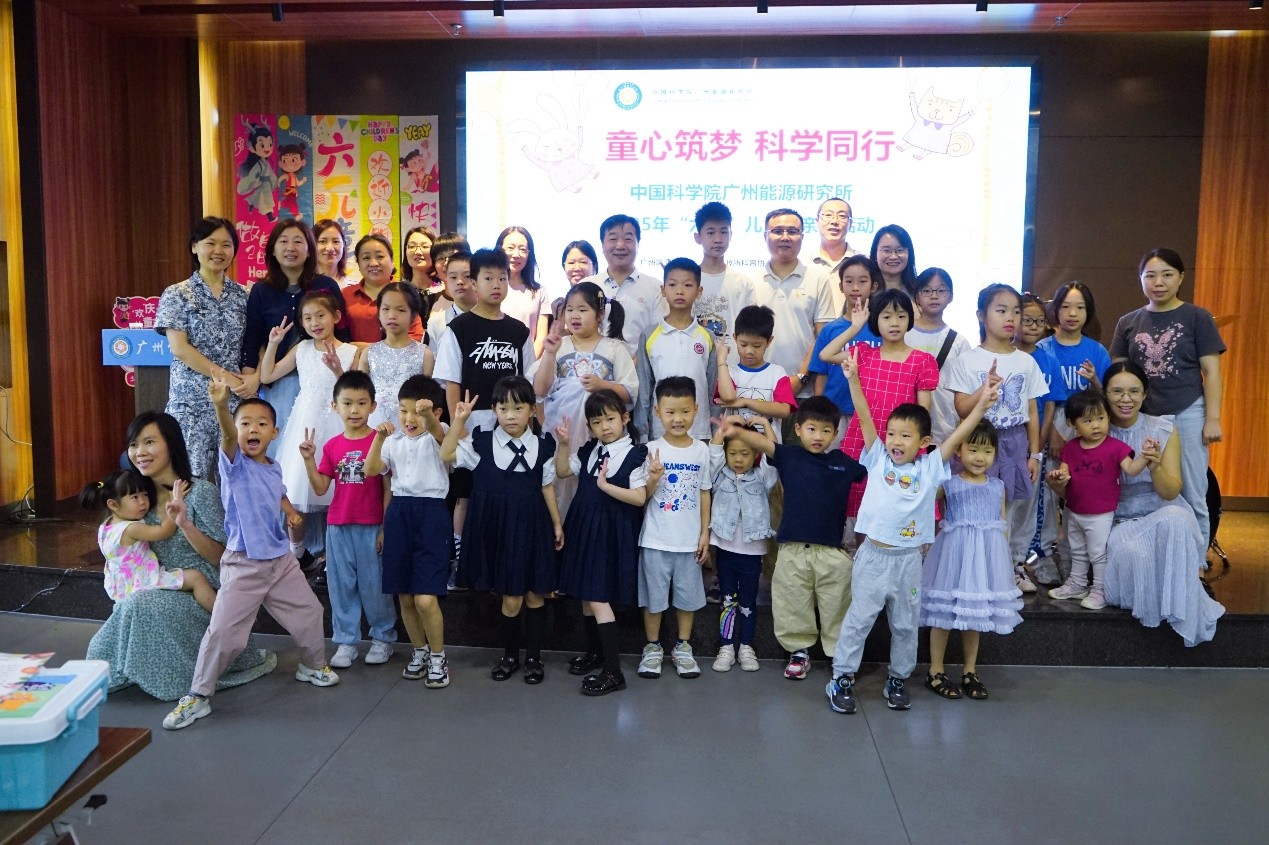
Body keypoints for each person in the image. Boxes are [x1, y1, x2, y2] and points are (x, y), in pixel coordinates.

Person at [824, 345, 999, 713]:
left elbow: (959, 434)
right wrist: (853, 379)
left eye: (905, 436)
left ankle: (898, 678)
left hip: (908, 561)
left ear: (923, 443)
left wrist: (982, 403)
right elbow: (864, 414)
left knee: (905, 625)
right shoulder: (877, 458)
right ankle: (841, 676)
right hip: (873, 557)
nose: (895, 441)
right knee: (858, 621)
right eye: (892, 434)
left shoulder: (931, 467)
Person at [162, 380, 337, 731]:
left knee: (310, 612)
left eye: (261, 423)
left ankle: (312, 665)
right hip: (243, 563)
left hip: (280, 561)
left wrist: (291, 512)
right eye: (245, 423)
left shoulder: (273, 466)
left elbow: (279, 493)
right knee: (224, 633)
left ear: (275, 432)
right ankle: (198, 696)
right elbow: (227, 436)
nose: (252, 429)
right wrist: (221, 406)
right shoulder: (234, 465)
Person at [87, 413, 276, 700]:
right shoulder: (137, 501)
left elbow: (225, 558)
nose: (140, 452)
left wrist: (185, 525)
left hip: (202, 595)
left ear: (171, 444)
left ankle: (224, 649)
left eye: (149, 442)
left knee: (140, 604)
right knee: (116, 627)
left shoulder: (200, 493)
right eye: (134, 444)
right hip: (158, 589)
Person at [721, 396, 865, 681]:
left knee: (838, 605)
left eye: (826, 431)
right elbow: (764, 444)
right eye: (811, 429)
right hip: (792, 550)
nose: (818, 436)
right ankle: (798, 653)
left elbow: (872, 467)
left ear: (836, 433)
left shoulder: (843, 463)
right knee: (792, 602)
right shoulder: (789, 456)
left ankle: (842, 659)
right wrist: (735, 430)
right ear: (798, 429)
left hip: (831, 553)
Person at [440, 378, 564, 684]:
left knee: (535, 595)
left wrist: (556, 523)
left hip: (534, 526)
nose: (510, 415)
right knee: (511, 597)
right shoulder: (481, 442)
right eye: (503, 408)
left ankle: (533, 658)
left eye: (518, 408)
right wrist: (459, 421)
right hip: (498, 529)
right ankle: (509, 656)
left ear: (531, 410)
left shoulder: (544, 445)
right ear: (494, 410)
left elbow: (546, 486)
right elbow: (446, 454)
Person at [1100, 362, 1224, 646]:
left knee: (1176, 519)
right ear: (1105, 393)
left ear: (1145, 394)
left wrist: (1155, 467)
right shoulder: (1097, 429)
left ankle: (1179, 611)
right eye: (1117, 391)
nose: (1126, 399)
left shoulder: (1162, 428)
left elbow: (1171, 492)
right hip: (1121, 519)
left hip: (1161, 509)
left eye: (1134, 391)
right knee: (1134, 553)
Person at [1111, 248, 1225, 543]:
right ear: (1140, 279)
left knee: (1192, 490)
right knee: (1148, 489)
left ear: (1181, 277)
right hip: (1142, 416)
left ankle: (1196, 561)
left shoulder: (1197, 317)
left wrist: (1212, 419)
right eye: (1150, 275)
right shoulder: (1128, 322)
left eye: (1167, 275)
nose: (1158, 282)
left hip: (1187, 411)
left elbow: (1211, 371)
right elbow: (1118, 372)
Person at [943, 284, 1048, 595]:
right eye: (1001, 310)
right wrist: (984, 389)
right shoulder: (967, 360)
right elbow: (962, 409)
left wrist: (1035, 454)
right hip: (978, 440)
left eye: (1016, 311)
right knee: (975, 504)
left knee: (1011, 507)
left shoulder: (1026, 361)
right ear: (981, 315)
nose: (1010, 318)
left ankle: (1010, 567)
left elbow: (1032, 411)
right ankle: (975, 567)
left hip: (1015, 441)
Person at [299, 370, 398, 667]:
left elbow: (388, 488)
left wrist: (384, 527)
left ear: (373, 406)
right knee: (341, 586)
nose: (354, 410)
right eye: (347, 403)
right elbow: (320, 487)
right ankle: (346, 641)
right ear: (335, 406)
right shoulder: (331, 446)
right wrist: (308, 460)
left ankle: (382, 638)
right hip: (338, 525)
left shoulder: (381, 441)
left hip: (371, 525)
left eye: (361, 403)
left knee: (374, 584)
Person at [919, 420, 1023, 702]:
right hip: (952, 556)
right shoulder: (949, 484)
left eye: (987, 451)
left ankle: (970, 670)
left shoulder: (998, 486)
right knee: (942, 613)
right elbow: (924, 500)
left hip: (983, 560)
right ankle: (935, 670)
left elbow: (1001, 526)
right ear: (958, 450)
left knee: (975, 613)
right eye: (973, 449)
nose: (980, 457)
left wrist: (1000, 563)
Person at [553, 390, 649, 695]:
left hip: (612, 531)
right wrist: (564, 444)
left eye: (610, 419)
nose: (604, 426)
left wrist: (605, 486)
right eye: (597, 422)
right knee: (586, 594)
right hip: (584, 526)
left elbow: (639, 498)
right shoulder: (590, 450)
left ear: (625, 418)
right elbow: (562, 471)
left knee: (597, 596)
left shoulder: (635, 454)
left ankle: (613, 671)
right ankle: (594, 652)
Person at [818, 288, 939, 522]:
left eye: (901, 316)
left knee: (900, 508)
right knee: (861, 509)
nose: (894, 323)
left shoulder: (923, 361)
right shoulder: (863, 354)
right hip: (862, 439)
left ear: (909, 320)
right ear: (875, 320)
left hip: (902, 442)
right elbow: (825, 354)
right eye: (886, 316)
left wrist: (916, 445)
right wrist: (855, 327)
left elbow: (923, 413)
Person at [365, 376, 453, 687]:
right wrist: (378, 439)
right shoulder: (393, 440)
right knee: (405, 596)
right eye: (403, 410)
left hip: (432, 514)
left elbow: (442, 438)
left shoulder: (440, 434)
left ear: (435, 413)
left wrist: (428, 417)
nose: (408, 418)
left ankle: (439, 657)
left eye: (417, 412)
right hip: (399, 514)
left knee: (426, 599)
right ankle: (420, 651)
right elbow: (371, 470)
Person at [241, 219, 348, 459]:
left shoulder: (325, 285)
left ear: (309, 249)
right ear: (273, 249)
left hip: (323, 378)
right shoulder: (261, 290)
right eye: (283, 241)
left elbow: (343, 332)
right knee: (281, 448)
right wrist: (251, 380)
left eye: (298, 241)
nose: (291, 247)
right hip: (279, 380)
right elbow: (252, 338)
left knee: (324, 445)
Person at [259, 291, 356, 551]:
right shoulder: (301, 349)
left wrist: (338, 369)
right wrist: (273, 344)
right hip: (304, 426)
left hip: (338, 425)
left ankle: (331, 555)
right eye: (308, 318)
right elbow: (267, 376)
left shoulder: (351, 352)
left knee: (337, 491)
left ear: (336, 316)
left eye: (320, 315)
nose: (315, 323)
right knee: (296, 490)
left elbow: (354, 392)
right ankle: (297, 552)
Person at [155, 216, 250, 479]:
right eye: (210, 243)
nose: (219, 251)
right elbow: (180, 349)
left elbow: (254, 343)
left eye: (226, 244)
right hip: (191, 403)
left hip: (233, 403)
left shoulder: (244, 295)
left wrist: (251, 379)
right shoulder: (177, 293)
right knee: (189, 478)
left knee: (232, 476)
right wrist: (226, 377)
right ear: (195, 247)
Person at [531, 282, 635, 513]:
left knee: (596, 485)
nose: (574, 315)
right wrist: (549, 353)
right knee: (561, 483)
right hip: (563, 434)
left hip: (601, 434)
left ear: (600, 314)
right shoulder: (560, 346)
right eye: (569, 309)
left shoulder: (615, 348)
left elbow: (630, 392)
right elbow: (539, 390)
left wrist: (602, 385)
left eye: (582, 309)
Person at [1045, 389, 1152, 610]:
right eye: (1088, 421)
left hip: (1100, 514)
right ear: (1072, 423)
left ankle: (1100, 590)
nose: (1096, 425)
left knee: (1098, 553)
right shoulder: (1071, 447)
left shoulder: (1116, 447)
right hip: (1074, 510)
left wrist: (1146, 457)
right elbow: (1064, 473)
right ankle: (1077, 584)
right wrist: (1058, 476)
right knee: (1077, 550)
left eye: (1101, 418)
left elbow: (1132, 470)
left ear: (1108, 418)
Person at [636, 376, 713, 680]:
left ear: (696, 410)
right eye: (670, 412)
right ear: (657, 411)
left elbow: (705, 492)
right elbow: (643, 496)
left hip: (688, 542)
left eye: (684, 411)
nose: (677, 419)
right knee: (653, 599)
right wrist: (653, 478)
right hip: (655, 540)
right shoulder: (649, 450)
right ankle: (652, 647)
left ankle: (683, 647)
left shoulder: (702, 450)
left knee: (687, 598)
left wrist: (705, 533)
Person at [434, 248, 537, 437]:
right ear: (474, 283)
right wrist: (458, 428)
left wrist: (527, 429)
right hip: (472, 424)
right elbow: (452, 382)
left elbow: (528, 382)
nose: (496, 285)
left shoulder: (519, 331)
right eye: (488, 278)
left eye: (502, 278)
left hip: (513, 423)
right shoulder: (458, 328)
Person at [80, 472, 215, 612]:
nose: (143, 501)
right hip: (143, 582)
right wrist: (174, 502)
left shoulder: (105, 526)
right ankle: (219, 615)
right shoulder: (131, 529)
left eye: (145, 494)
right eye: (134, 497)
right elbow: (164, 531)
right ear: (113, 505)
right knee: (196, 578)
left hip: (122, 587)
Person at [707, 414, 777, 673]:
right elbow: (713, 457)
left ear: (755, 454)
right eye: (733, 453)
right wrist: (721, 433)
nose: (738, 459)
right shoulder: (719, 476)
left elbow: (774, 457)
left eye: (745, 454)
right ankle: (726, 645)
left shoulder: (762, 478)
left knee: (748, 601)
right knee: (728, 600)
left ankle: (746, 646)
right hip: (725, 549)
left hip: (752, 551)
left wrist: (766, 426)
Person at [1010, 293, 1066, 590]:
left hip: (1034, 446)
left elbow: (1050, 405)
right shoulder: (1005, 354)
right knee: (1005, 504)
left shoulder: (1048, 358)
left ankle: (1019, 562)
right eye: (1027, 319)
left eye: (1039, 321)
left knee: (1029, 504)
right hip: (1005, 445)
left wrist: (1037, 445)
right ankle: (999, 562)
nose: (1033, 326)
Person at [752, 208, 836, 402]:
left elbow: (822, 337)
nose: (785, 237)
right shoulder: (751, 281)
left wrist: (800, 378)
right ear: (765, 236)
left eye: (792, 231)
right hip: (757, 389)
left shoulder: (818, 279)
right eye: (777, 231)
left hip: (803, 392)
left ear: (802, 237)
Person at [635, 258, 717, 442]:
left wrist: (716, 429)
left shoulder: (708, 337)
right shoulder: (649, 335)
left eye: (688, 285)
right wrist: (642, 432)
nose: (679, 291)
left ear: (699, 291)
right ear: (663, 290)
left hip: (700, 431)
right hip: (661, 431)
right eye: (672, 285)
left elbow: (714, 388)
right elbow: (644, 387)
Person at [808, 256, 884, 445]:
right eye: (849, 281)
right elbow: (821, 375)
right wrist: (820, 412)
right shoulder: (830, 330)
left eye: (862, 281)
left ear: (874, 286)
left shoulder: (881, 329)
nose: (855, 288)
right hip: (834, 413)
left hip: (871, 413)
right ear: (841, 287)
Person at [580, 214, 665, 358]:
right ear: (602, 245)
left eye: (628, 239)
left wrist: (632, 366)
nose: (620, 245)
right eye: (613, 239)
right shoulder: (585, 286)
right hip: (590, 367)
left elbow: (658, 336)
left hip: (639, 369)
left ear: (638, 244)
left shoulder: (655, 287)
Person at [904, 267, 971, 445]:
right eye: (926, 290)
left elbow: (964, 391)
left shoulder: (959, 342)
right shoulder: (903, 334)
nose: (934, 296)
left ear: (951, 296)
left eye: (941, 290)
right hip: (904, 427)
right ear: (917, 296)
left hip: (945, 429)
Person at [353, 282, 433, 428]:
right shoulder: (369, 353)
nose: (392, 316)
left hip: (410, 426)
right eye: (386, 309)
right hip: (374, 425)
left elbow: (427, 399)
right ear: (378, 313)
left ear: (413, 315)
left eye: (400, 310)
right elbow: (359, 395)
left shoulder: (424, 354)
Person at [714, 304, 797, 441]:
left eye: (757, 346)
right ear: (735, 338)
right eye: (743, 344)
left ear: (769, 341)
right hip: (735, 446)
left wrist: (745, 402)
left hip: (768, 446)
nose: (749, 351)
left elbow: (784, 410)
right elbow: (728, 397)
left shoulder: (777, 373)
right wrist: (721, 359)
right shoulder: (730, 372)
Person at [691, 202, 756, 362]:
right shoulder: (687, 281)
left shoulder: (743, 283)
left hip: (733, 365)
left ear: (731, 235)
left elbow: (750, 330)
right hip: (694, 363)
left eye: (723, 232)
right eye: (710, 232)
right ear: (698, 237)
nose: (718, 239)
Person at [342, 234, 424, 343]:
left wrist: (371, 350)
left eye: (380, 256)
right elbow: (337, 335)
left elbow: (416, 338)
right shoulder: (345, 295)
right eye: (366, 258)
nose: (373, 263)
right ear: (358, 264)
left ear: (392, 260)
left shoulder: (405, 294)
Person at [496, 226, 550, 355]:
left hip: (528, 362)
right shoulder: (489, 288)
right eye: (510, 248)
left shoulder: (539, 291)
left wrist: (528, 364)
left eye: (522, 249)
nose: (516, 254)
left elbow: (541, 338)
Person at [808, 197, 857, 315]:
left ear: (850, 223)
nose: (834, 221)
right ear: (817, 221)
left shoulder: (864, 262)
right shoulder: (803, 263)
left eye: (842, 216)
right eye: (828, 215)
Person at [426, 248, 476, 346]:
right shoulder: (436, 322)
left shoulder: (491, 318)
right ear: (447, 279)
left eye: (467, 276)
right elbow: (431, 354)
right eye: (453, 277)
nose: (460, 282)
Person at [425, 232, 472, 328]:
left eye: (453, 256)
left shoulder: (483, 299)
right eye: (440, 258)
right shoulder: (428, 302)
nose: (446, 263)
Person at [869, 224, 917, 292]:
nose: (893, 257)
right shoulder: (866, 291)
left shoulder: (919, 291)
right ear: (875, 253)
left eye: (900, 250)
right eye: (886, 250)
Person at [401, 226, 440, 304]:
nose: (418, 252)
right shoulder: (399, 291)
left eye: (425, 246)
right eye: (412, 246)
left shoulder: (444, 291)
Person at [312, 219, 349, 284]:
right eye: (322, 241)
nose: (330, 248)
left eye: (336, 241)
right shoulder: (302, 286)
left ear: (343, 245)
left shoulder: (353, 287)